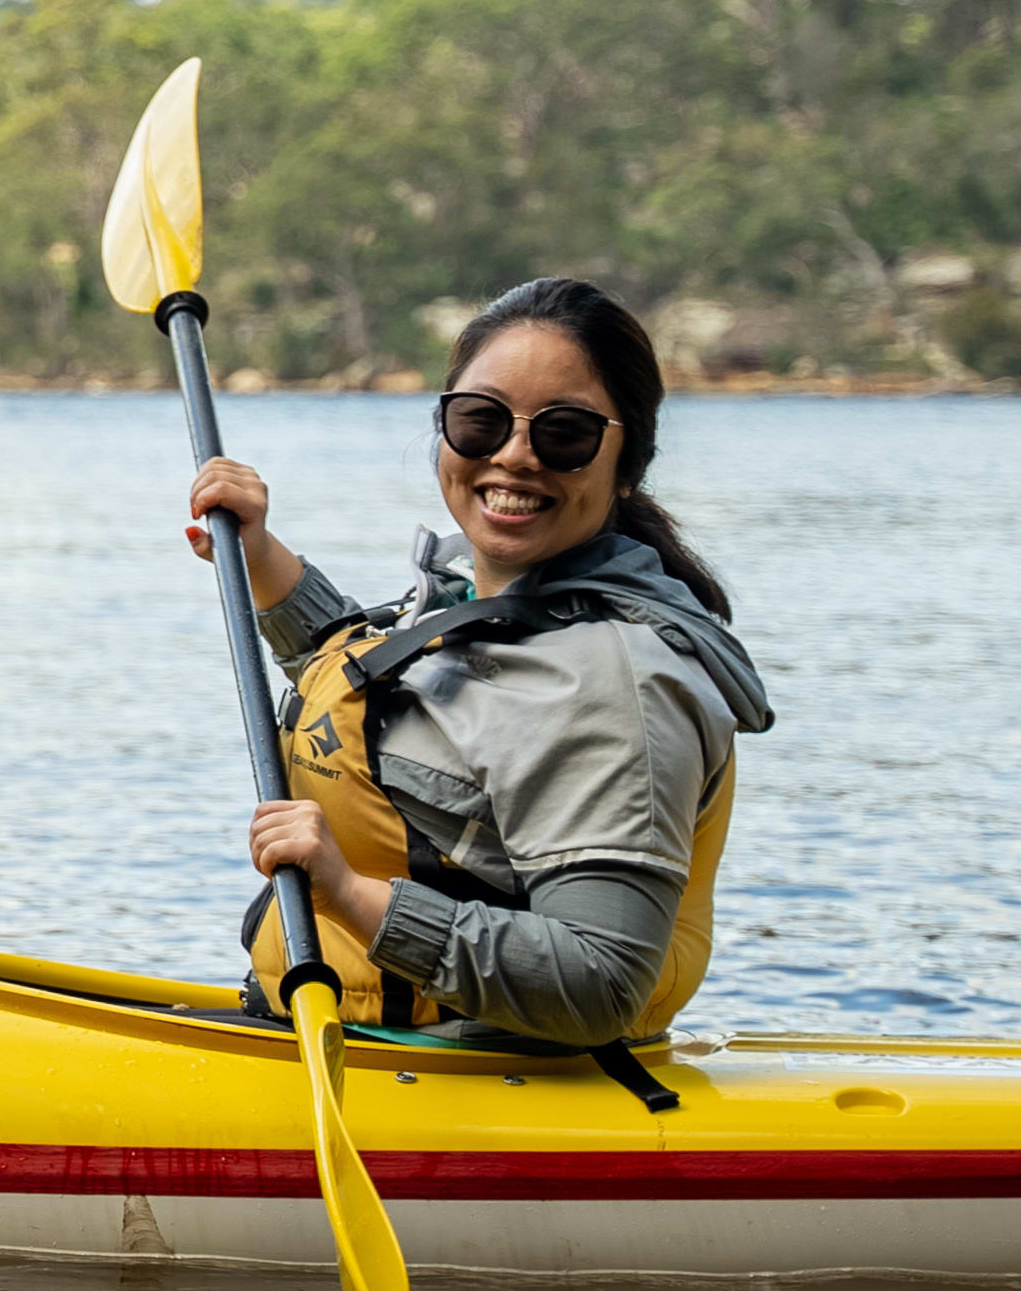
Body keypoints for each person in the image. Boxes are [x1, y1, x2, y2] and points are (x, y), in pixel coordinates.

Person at [184, 277, 771, 1061]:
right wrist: (258, 554)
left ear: (627, 461)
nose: (514, 455)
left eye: (564, 433)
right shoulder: (497, 597)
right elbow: (389, 705)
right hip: (363, 1034)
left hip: (476, 1070)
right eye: (480, 420)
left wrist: (353, 896)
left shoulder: (609, 683)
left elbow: (602, 981)